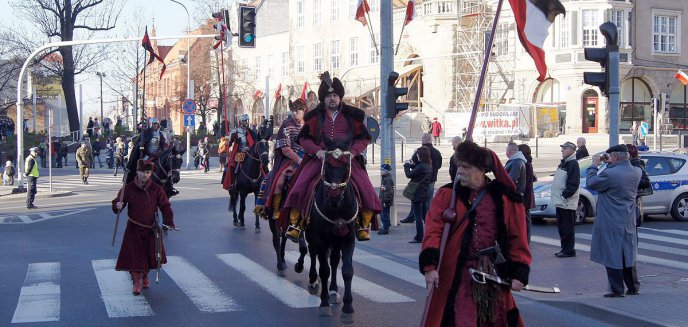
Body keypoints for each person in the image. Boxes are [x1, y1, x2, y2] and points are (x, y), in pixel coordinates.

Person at [419, 141, 530, 326]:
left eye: (466, 167)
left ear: (480, 170)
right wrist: (430, 266)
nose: (460, 170)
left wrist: (519, 272)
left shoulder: (503, 198)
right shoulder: (447, 196)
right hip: (457, 273)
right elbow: (433, 230)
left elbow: (517, 238)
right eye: (459, 165)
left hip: (492, 275)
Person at [282, 72, 381, 241]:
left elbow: (364, 138)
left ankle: (363, 224)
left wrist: (354, 152)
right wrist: (316, 151)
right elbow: (304, 139)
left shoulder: (352, 116)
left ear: (340, 97)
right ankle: (296, 223)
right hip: (320, 159)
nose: (332, 98)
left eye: (335, 95)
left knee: (366, 188)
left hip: (347, 159)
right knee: (300, 185)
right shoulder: (314, 117)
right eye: (328, 96)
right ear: (323, 99)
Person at [112, 159, 175, 295]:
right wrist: (117, 205)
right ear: (137, 171)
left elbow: (165, 206)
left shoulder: (156, 189)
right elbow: (118, 202)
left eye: (148, 172)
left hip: (151, 228)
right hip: (134, 228)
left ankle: (145, 276)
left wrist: (169, 222)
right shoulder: (128, 188)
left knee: (148, 255)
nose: (145, 175)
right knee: (135, 256)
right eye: (142, 172)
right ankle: (136, 282)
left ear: (151, 173)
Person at [586, 144, 641, 297]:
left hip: (611, 218)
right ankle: (633, 287)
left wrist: (594, 165)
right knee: (627, 253)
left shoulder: (611, 174)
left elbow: (591, 183)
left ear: (615, 157)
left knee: (612, 254)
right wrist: (611, 163)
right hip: (628, 218)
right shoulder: (636, 171)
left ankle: (617, 289)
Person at [254, 99, 307, 227]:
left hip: (308, 158)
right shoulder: (286, 124)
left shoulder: (310, 125)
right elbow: (285, 148)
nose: (295, 113)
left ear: (304, 111)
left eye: (298, 111)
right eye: (293, 111)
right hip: (291, 159)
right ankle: (276, 208)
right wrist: (298, 159)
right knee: (279, 180)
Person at [401, 134, 442, 224]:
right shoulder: (437, 152)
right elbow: (439, 165)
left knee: (416, 199)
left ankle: (414, 217)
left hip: (420, 181)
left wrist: (408, 165)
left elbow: (414, 163)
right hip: (432, 180)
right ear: (430, 140)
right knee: (428, 201)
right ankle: (427, 219)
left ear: (423, 140)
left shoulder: (420, 151)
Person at [551, 141, 580, 258]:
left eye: (564, 148)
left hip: (566, 202)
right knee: (562, 227)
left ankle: (569, 250)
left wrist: (565, 195)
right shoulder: (565, 163)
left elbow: (573, 183)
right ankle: (565, 248)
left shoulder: (572, 164)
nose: (562, 150)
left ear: (572, 150)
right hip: (561, 201)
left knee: (567, 228)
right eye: (562, 148)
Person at [404, 146, 433, 243]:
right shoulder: (427, 164)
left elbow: (409, 175)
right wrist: (411, 165)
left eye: (417, 154)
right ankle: (429, 234)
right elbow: (417, 168)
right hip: (424, 192)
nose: (416, 155)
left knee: (418, 217)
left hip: (418, 193)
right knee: (425, 216)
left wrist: (406, 165)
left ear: (421, 155)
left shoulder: (422, 166)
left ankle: (419, 237)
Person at [222, 114, 258, 189]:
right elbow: (230, 142)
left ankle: (264, 181)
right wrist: (227, 142)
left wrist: (248, 148)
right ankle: (232, 182)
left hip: (249, 153)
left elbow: (255, 142)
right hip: (239, 153)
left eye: (247, 121)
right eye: (244, 121)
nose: (246, 123)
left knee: (259, 164)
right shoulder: (235, 131)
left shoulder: (251, 132)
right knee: (231, 166)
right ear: (241, 122)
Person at [518, 143, 536, 243]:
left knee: (525, 218)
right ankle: (526, 239)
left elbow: (525, 182)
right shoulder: (527, 162)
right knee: (526, 217)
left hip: (526, 196)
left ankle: (526, 239)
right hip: (527, 195)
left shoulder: (526, 164)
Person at [378, 163, 394, 235]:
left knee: (385, 214)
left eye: (382, 170)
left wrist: (385, 200)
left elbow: (389, 191)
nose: (381, 171)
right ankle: (386, 225)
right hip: (383, 200)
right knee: (383, 213)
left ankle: (385, 229)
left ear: (386, 171)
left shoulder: (387, 180)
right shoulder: (384, 178)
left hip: (385, 201)